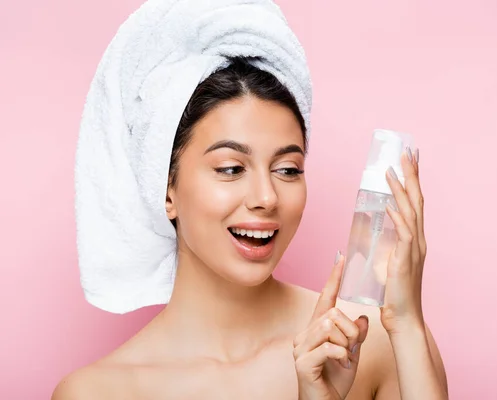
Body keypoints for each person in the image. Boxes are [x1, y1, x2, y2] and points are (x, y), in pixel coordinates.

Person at [53, 4, 448, 400]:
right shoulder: (95, 392)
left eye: (288, 169)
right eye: (230, 168)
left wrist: (407, 326)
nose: (266, 198)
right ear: (166, 189)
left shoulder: (372, 342)